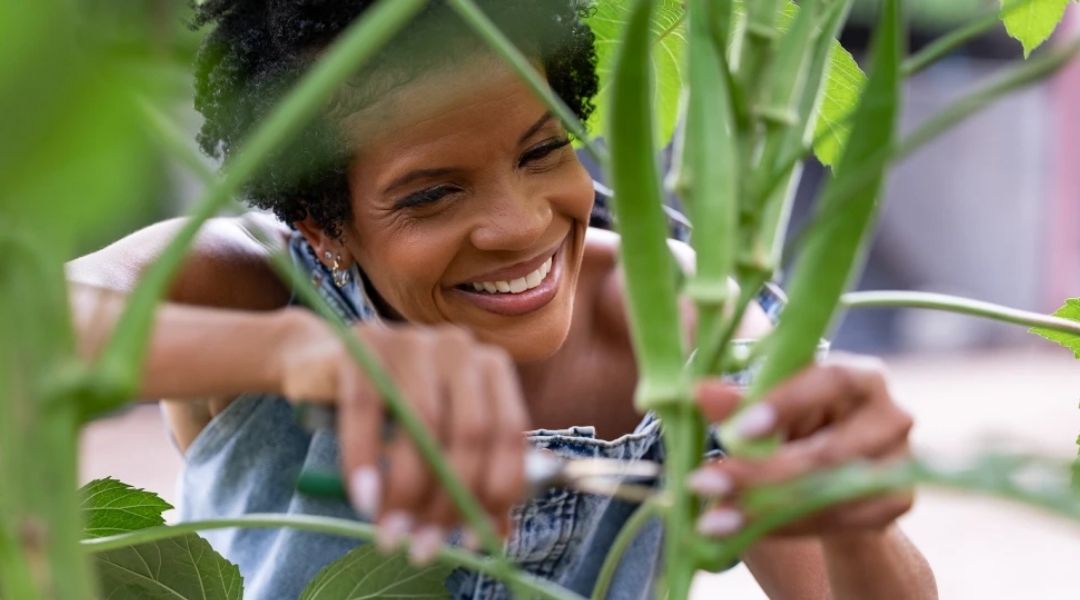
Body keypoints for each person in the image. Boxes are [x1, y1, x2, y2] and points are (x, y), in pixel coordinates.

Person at [67, 1, 937, 598]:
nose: (519, 227)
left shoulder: (676, 321)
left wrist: (849, 505)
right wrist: (303, 354)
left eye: (542, 151)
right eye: (431, 195)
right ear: (321, 223)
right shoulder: (257, 286)